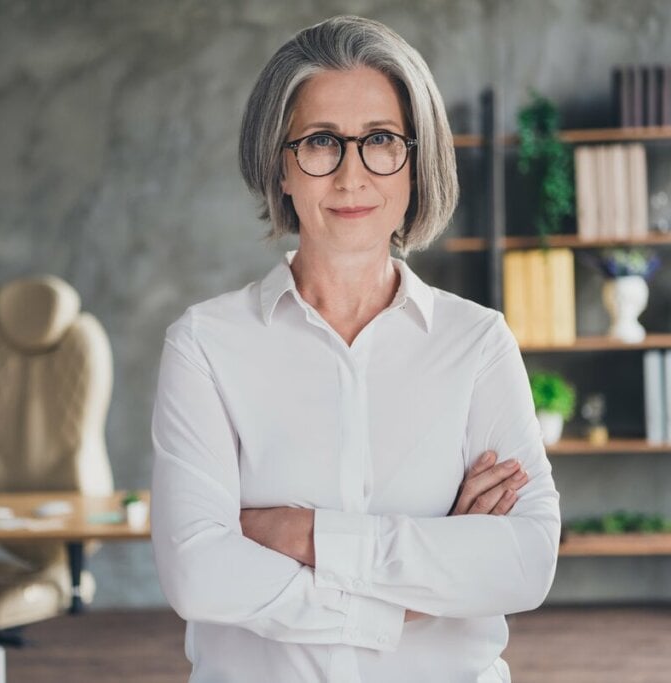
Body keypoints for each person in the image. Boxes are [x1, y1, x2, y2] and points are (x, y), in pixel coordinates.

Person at [151, 15, 560, 683]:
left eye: (379, 140)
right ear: (280, 167)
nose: (351, 175)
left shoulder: (478, 343)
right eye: (319, 142)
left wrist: (306, 535)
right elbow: (198, 573)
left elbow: (526, 559)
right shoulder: (205, 346)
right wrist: (418, 586)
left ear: (413, 164)